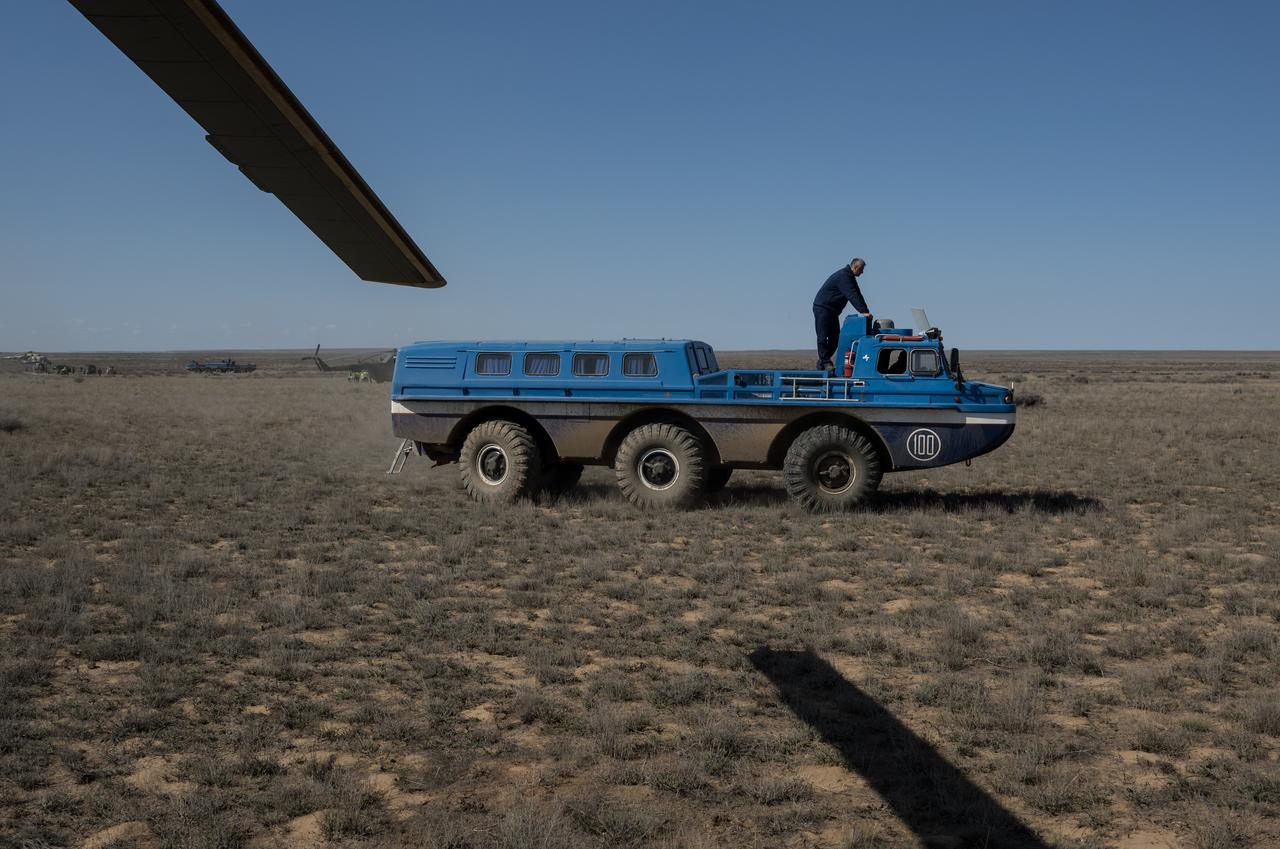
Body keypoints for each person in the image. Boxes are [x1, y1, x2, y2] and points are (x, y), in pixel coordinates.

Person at [812, 257, 870, 370]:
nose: (862, 273)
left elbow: (857, 294)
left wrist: (866, 311)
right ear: (855, 267)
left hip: (832, 311)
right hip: (823, 308)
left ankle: (822, 362)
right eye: (861, 270)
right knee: (823, 336)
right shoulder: (843, 276)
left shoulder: (850, 278)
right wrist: (863, 311)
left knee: (835, 338)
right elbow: (852, 295)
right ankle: (825, 362)